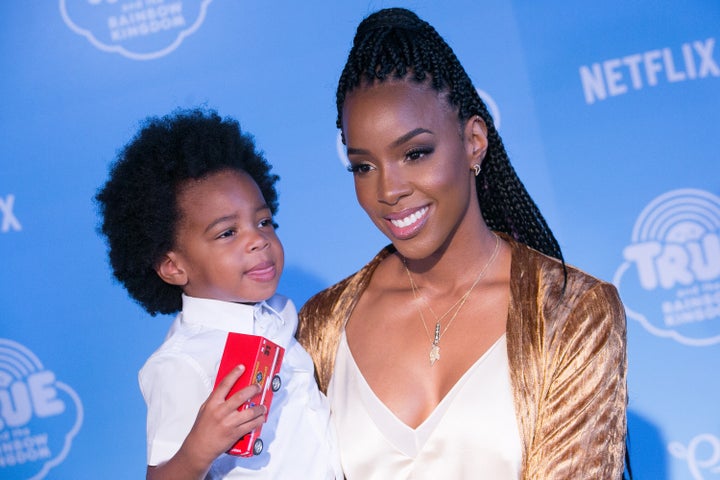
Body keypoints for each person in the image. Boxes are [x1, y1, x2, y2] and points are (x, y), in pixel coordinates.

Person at [297, 7, 628, 479]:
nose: (388, 191)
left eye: (415, 153)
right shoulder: (321, 327)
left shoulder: (571, 310)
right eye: (363, 166)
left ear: (474, 140)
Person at [95, 108, 342, 480]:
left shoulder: (281, 314)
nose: (258, 240)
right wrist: (199, 448)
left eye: (263, 222)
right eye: (228, 233)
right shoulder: (181, 363)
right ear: (173, 266)